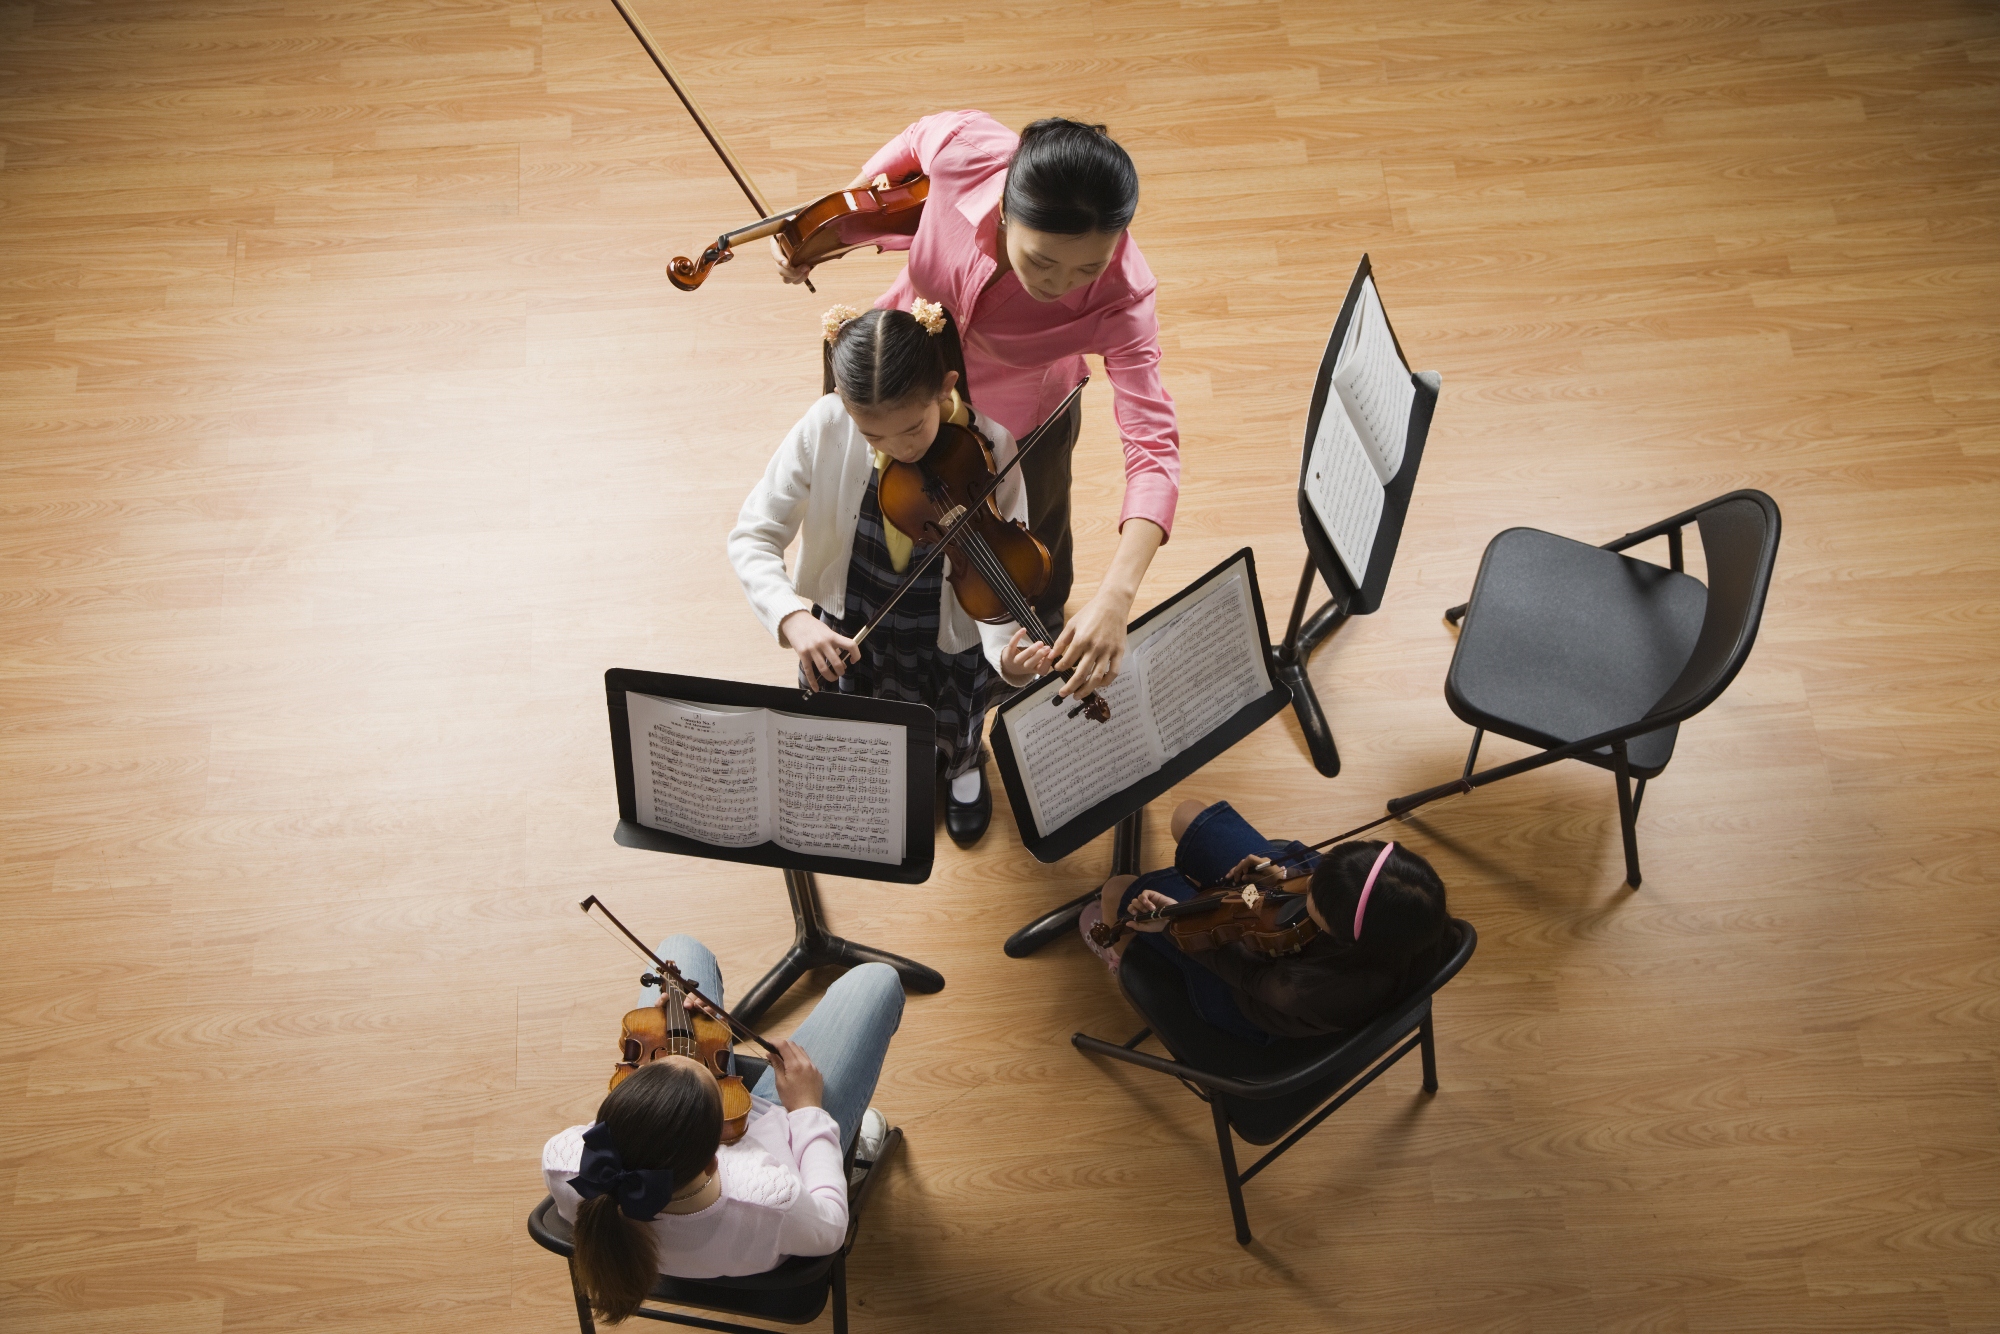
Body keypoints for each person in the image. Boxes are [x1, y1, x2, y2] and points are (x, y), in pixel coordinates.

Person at [774, 113, 1178, 739]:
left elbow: (1152, 447)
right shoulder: (967, 150)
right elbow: (913, 142)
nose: (1061, 287)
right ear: (1006, 214)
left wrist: (1118, 597)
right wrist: (841, 224)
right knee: (862, 517)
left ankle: (981, 697)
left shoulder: (1124, 296)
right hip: (892, 377)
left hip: (1009, 430)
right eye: (1043, 262)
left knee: (1019, 557)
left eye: (1085, 270)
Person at [728, 301, 1056, 845]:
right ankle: (874, 773)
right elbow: (753, 535)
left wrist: (1011, 661)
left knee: (959, 709)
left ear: (945, 387)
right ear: (844, 404)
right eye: (874, 437)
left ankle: (964, 768)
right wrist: (791, 619)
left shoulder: (993, 447)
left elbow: (999, 572)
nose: (901, 449)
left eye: (914, 427)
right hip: (855, 609)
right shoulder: (827, 424)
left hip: (951, 618)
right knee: (860, 712)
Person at [542, 936, 903, 1323]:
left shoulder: (565, 1160)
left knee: (680, 949)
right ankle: (844, 1136)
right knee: (879, 980)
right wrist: (809, 1112)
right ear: (714, 1161)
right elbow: (830, 1227)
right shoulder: (769, 1196)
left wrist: (669, 1033)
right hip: (779, 1132)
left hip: (688, 1173)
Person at [1078, 799, 1452, 1042]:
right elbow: (1284, 893)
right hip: (1276, 922)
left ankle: (1120, 955)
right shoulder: (1411, 915)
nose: (1307, 882)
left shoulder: (1300, 988)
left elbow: (1240, 967)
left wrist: (1174, 923)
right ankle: (1195, 886)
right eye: (1324, 869)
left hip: (1248, 993)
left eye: (1315, 894)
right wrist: (1275, 875)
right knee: (1188, 814)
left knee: (1117, 891)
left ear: (1339, 931)